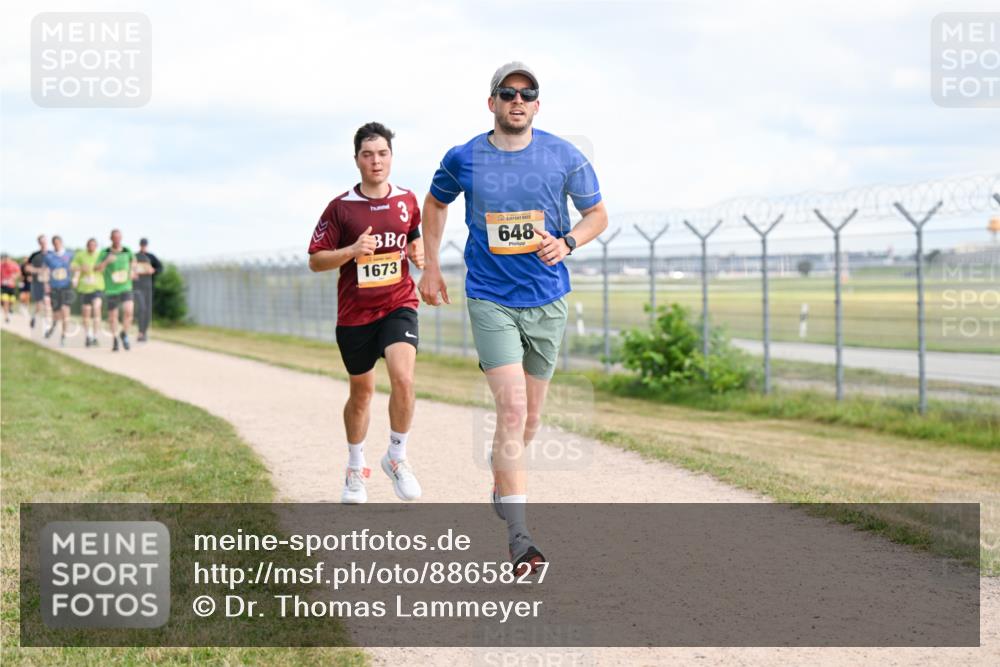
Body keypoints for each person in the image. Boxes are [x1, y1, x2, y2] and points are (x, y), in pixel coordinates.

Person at [418, 62, 608, 573]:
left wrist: (567, 243)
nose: (517, 100)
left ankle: (503, 478)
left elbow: (597, 216)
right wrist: (431, 266)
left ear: (538, 105)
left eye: (527, 93)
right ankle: (520, 538)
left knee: (530, 419)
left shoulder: (564, 155)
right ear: (492, 103)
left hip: (547, 298)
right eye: (507, 93)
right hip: (490, 297)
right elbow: (434, 205)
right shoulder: (464, 157)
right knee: (511, 410)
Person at [307, 122, 425, 505]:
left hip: (398, 303)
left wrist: (417, 250)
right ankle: (355, 467)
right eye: (368, 154)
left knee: (403, 378)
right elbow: (316, 260)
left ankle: (397, 456)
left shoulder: (407, 199)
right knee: (362, 394)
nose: (376, 161)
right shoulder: (341, 207)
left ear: (392, 156)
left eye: (383, 153)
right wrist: (352, 251)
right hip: (355, 314)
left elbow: (412, 232)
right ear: (357, 159)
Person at [96, 229, 136, 352]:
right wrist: (106, 261)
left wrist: (132, 270)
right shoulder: (105, 252)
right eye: (115, 237)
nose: (117, 240)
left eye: (119, 237)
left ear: (121, 238)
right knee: (113, 316)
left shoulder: (127, 250)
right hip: (111, 289)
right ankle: (115, 339)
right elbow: (96, 268)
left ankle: (124, 334)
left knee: (129, 312)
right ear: (111, 238)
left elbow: (133, 261)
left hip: (126, 287)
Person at [71, 237, 105, 347]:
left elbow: (105, 268)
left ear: (96, 246)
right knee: (86, 313)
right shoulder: (80, 255)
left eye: (94, 245)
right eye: (90, 245)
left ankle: (95, 336)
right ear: (87, 246)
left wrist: (100, 267)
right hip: (84, 288)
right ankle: (88, 335)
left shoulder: (100, 255)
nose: (92, 247)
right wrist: (80, 269)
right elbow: (72, 267)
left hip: (97, 287)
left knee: (96, 308)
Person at [43, 236, 75, 346]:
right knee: (56, 315)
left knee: (65, 310)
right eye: (54, 243)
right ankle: (52, 328)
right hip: (54, 288)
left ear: (61, 242)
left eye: (58, 242)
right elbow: (45, 271)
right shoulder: (49, 257)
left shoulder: (70, 255)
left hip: (66, 287)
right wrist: (46, 283)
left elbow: (76, 267)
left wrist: (75, 277)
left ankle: (63, 336)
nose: (57, 245)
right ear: (53, 244)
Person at [134, 237, 162, 342]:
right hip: (137, 286)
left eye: (145, 245)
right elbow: (129, 268)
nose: (143, 246)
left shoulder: (151, 257)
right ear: (140, 245)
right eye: (142, 245)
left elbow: (160, 268)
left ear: (147, 245)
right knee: (141, 308)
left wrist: (153, 270)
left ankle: (144, 332)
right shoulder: (135, 256)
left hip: (148, 287)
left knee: (147, 310)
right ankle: (140, 332)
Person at [24, 235, 51, 329]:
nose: (43, 243)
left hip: (49, 283)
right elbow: (27, 268)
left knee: (47, 302)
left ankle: (47, 325)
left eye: (44, 241)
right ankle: (34, 317)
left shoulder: (52, 254)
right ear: (39, 243)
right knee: (39, 305)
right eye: (41, 242)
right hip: (37, 283)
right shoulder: (34, 255)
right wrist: (38, 270)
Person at [0, 253, 21, 322]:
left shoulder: (14, 265)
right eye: (5, 259)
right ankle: (6, 317)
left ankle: (9, 307)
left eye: (7, 259)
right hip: (4, 286)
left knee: (12, 301)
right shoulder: (1, 265)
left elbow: (19, 273)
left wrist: (15, 276)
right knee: (5, 301)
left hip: (12, 286)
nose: (6, 261)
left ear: (10, 259)